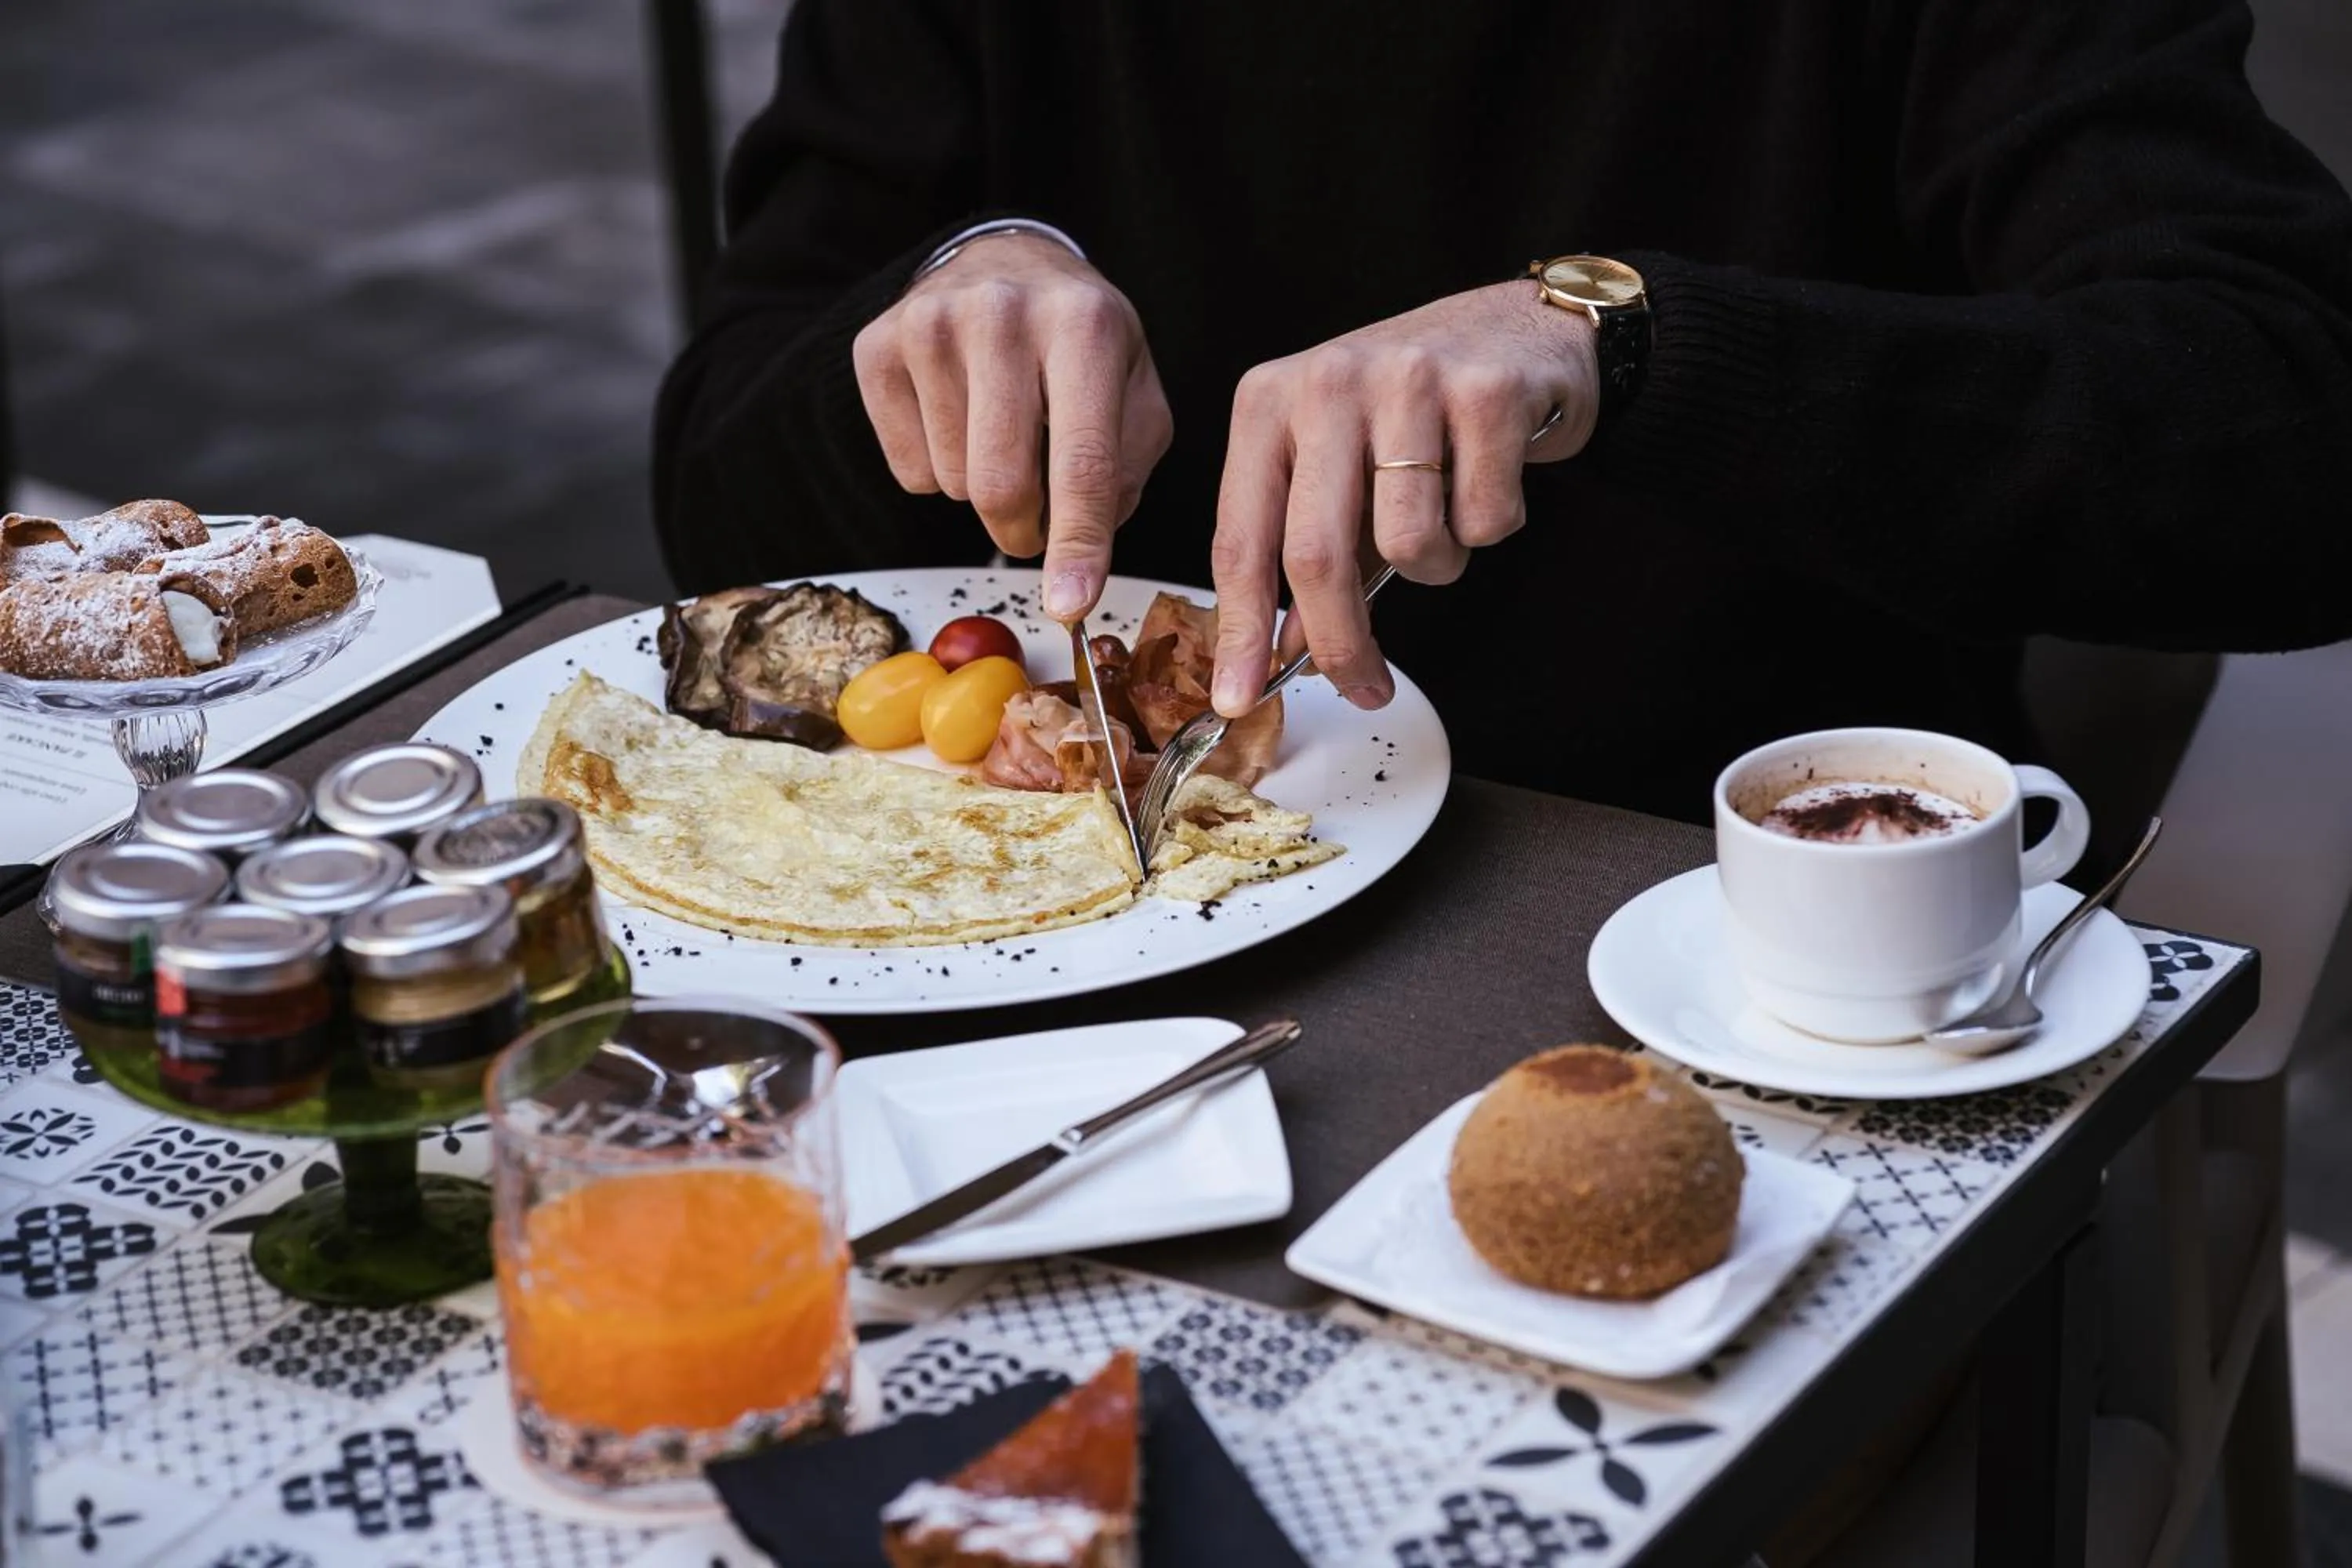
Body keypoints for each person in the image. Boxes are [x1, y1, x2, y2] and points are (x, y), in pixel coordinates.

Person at [654, 0, 2352, 825]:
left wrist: (1638, 343)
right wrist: (931, 300)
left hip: (1725, 924)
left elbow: (2290, 436)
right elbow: (716, 494)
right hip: (1055, 943)